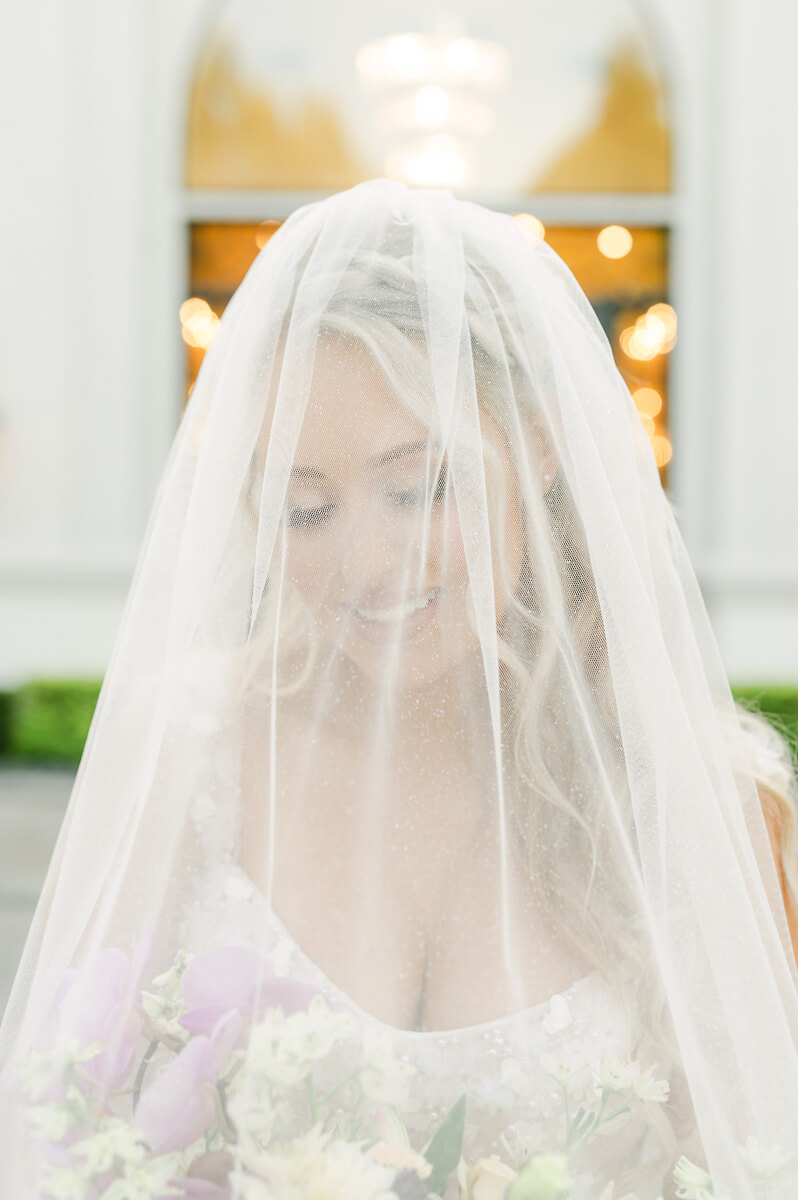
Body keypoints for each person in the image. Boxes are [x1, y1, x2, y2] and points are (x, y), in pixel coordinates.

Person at [1, 178, 797, 1199]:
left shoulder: (693, 798)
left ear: (543, 443)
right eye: (305, 508)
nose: (366, 561)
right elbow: (56, 1133)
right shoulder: (190, 747)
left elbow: (757, 1168)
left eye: (418, 487)